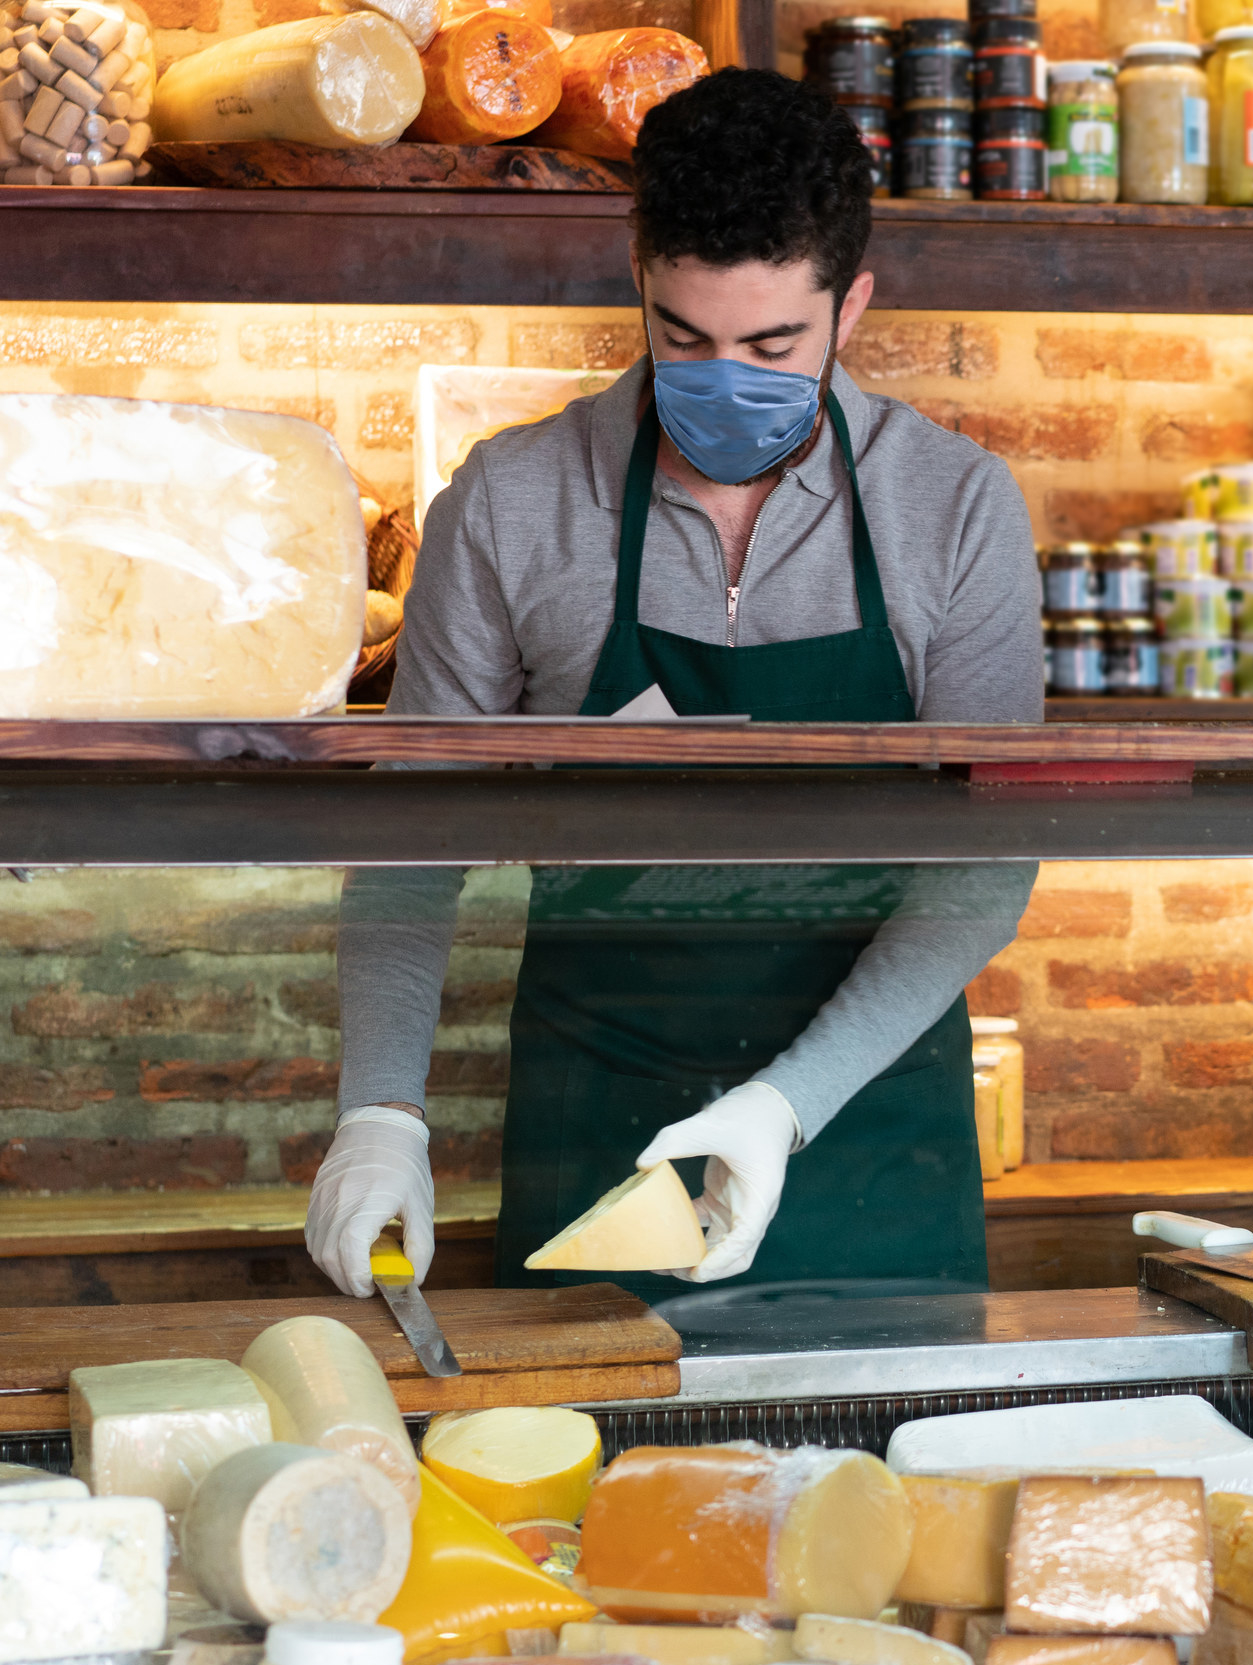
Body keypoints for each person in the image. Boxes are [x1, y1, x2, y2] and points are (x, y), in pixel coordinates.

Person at [303, 69, 1041, 1307]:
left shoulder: (955, 508)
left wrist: (783, 1105)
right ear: (638, 281)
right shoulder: (515, 502)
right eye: (683, 337)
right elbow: (410, 841)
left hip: (861, 1124)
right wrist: (380, 1111)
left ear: (850, 307)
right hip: (596, 1098)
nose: (724, 378)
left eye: (772, 346)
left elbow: (988, 865)